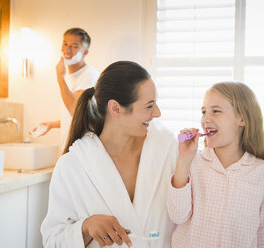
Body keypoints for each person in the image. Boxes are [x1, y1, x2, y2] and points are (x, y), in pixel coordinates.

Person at [41, 61, 178, 247]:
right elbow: (52, 241)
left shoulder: (169, 152)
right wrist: (85, 227)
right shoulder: (73, 166)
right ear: (115, 108)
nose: (158, 113)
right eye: (149, 106)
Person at [167, 82, 264, 248]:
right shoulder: (193, 163)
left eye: (216, 111)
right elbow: (177, 216)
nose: (206, 118)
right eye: (204, 111)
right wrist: (184, 160)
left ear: (242, 118)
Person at [31, 27, 99, 150]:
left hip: (82, 149)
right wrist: (52, 125)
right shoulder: (69, 78)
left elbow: (74, 110)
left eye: (74, 46)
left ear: (85, 53)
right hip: (71, 148)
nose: (67, 50)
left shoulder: (89, 76)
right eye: (65, 44)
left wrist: (60, 78)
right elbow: (78, 117)